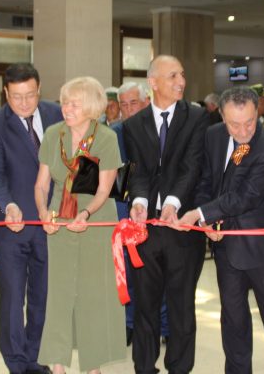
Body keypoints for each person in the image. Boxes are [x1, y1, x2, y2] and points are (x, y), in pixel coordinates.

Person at [177, 86, 264, 373]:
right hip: (227, 247)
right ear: (222, 116)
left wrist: (199, 214)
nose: (244, 131)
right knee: (233, 320)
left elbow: (246, 197)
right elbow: (206, 181)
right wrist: (207, 220)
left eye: (250, 122)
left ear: (258, 113)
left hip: (263, 250)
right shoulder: (214, 136)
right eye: (234, 124)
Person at [123, 55, 209, 374]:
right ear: (153, 82)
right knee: (145, 305)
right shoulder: (134, 125)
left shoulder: (197, 117)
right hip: (146, 230)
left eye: (182, 74)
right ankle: (144, 366)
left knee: (181, 307)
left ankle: (179, 367)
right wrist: (139, 201)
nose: (181, 81)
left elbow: (192, 166)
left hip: (182, 227)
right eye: (172, 76)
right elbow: (138, 171)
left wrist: (173, 202)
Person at [34, 76, 124, 374]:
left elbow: (104, 189)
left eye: (74, 104)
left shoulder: (106, 137)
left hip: (95, 220)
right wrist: (43, 212)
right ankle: (58, 363)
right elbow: (41, 184)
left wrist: (85, 214)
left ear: (91, 107)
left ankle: (92, 365)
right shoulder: (53, 134)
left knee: (93, 293)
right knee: (59, 292)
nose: (66, 109)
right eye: (64, 103)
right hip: (59, 219)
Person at [0, 63, 62, 374]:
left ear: (39, 89)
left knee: (43, 295)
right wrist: (9, 205)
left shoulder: (56, 113)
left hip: (48, 223)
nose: (25, 103)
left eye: (30, 95)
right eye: (16, 97)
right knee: (13, 297)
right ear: (6, 93)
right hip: (11, 226)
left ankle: (35, 357)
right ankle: (16, 363)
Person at [112, 82, 169, 346]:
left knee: (159, 271)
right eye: (123, 105)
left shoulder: (161, 130)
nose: (128, 109)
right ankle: (129, 323)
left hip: (157, 211)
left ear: (146, 103)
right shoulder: (113, 134)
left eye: (133, 103)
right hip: (124, 210)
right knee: (127, 270)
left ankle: (165, 325)